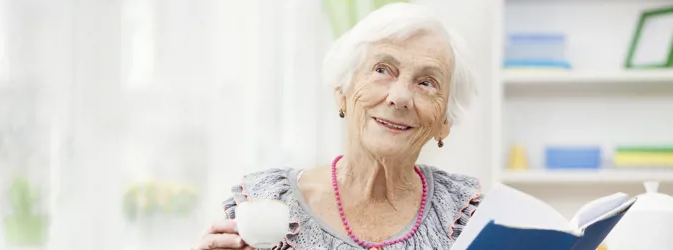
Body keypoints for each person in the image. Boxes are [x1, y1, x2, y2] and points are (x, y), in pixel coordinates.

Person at [195, 2, 482, 250]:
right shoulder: (264, 204)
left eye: (426, 83)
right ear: (342, 91)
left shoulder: (466, 217)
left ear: (445, 122)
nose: (399, 97)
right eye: (382, 70)